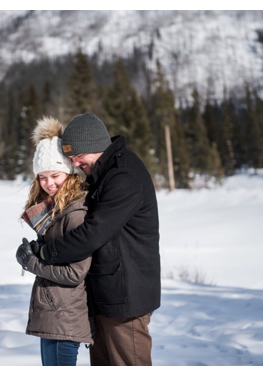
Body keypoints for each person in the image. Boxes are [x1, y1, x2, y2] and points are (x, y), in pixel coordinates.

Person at [17, 112, 160, 366]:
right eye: (71, 158)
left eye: (78, 156)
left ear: (94, 146)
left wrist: (44, 253)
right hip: (107, 296)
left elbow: (92, 233)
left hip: (126, 299)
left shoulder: (123, 175)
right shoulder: (104, 173)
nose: (75, 162)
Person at [15, 116, 93, 366]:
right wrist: (39, 251)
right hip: (53, 314)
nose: (49, 183)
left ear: (69, 172)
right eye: (43, 177)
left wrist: (31, 262)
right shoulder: (53, 212)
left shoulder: (74, 214)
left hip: (64, 317)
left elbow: (75, 273)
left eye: (55, 175)